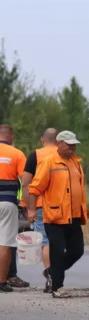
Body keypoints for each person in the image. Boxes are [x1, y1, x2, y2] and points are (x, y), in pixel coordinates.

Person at [27, 130, 89, 298]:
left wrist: (84, 208)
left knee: (77, 251)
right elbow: (34, 189)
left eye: (74, 145)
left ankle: (51, 271)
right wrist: (32, 210)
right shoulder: (49, 162)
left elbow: (79, 189)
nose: (73, 148)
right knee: (56, 251)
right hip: (55, 217)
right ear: (59, 143)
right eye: (69, 145)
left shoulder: (76, 163)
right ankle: (57, 287)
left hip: (74, 215)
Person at [21, 127, 58, 292]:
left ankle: (51, 278)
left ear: (43, 140)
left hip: (41, 204)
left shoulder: (35, 155)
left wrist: (30, 207)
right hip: (62, 206)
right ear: (59, 141)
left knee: (46, 242)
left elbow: (26, 183)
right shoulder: (65, 154)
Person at [0, 124, 26, 292]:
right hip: (7, 203)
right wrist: (27, 205)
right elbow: (26, 181)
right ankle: (2, 281)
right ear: (12, 137)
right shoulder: (17, 154)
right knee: (5, 243)